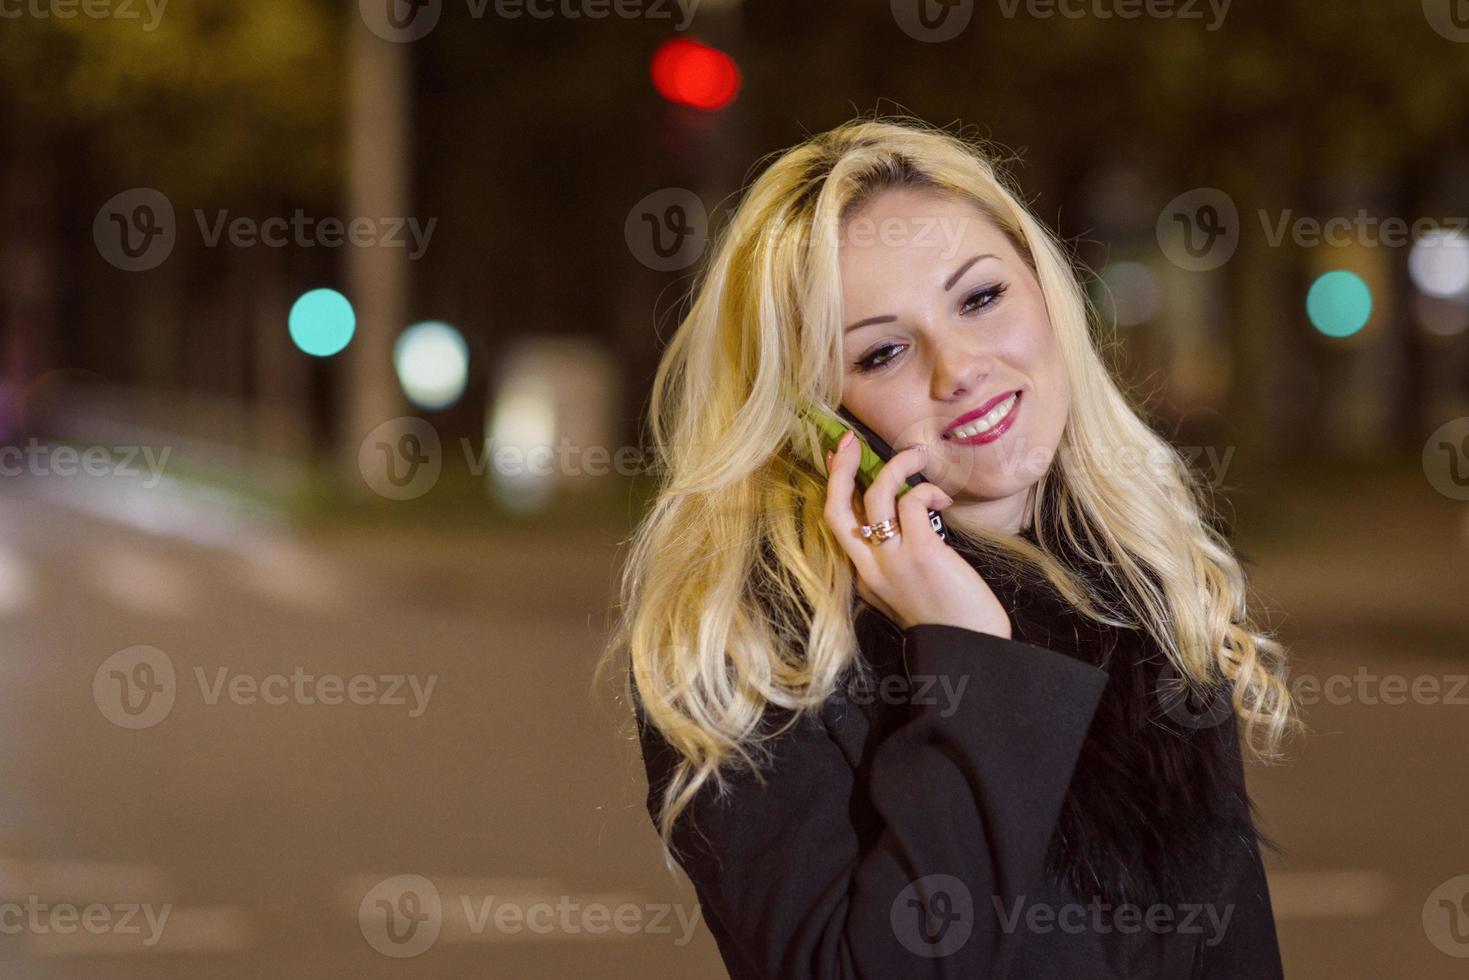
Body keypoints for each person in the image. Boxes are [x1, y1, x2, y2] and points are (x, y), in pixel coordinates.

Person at [599, 115, 1299, 978]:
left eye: (979, 298)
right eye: (884, 351)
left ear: (1046, 290)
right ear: (811, 419)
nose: (957, 366)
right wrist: (968, 657)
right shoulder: (753, 653)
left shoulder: (1142, 579)